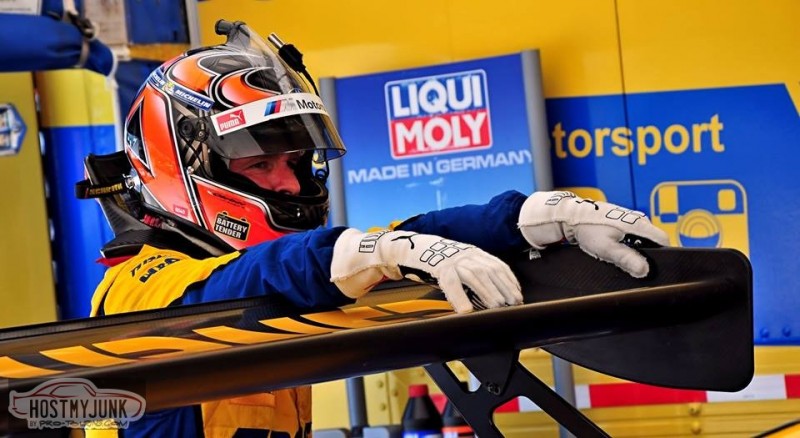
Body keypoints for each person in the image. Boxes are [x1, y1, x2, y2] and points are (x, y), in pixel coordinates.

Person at [79, 20, 668, 438]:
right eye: (260, 164)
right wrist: (366, 251)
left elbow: (403, 237)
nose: (289, 184)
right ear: (179, 169)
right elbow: (244, 283)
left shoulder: (288, 276)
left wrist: (524, 220)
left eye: (296, 162)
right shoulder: (133, 290)